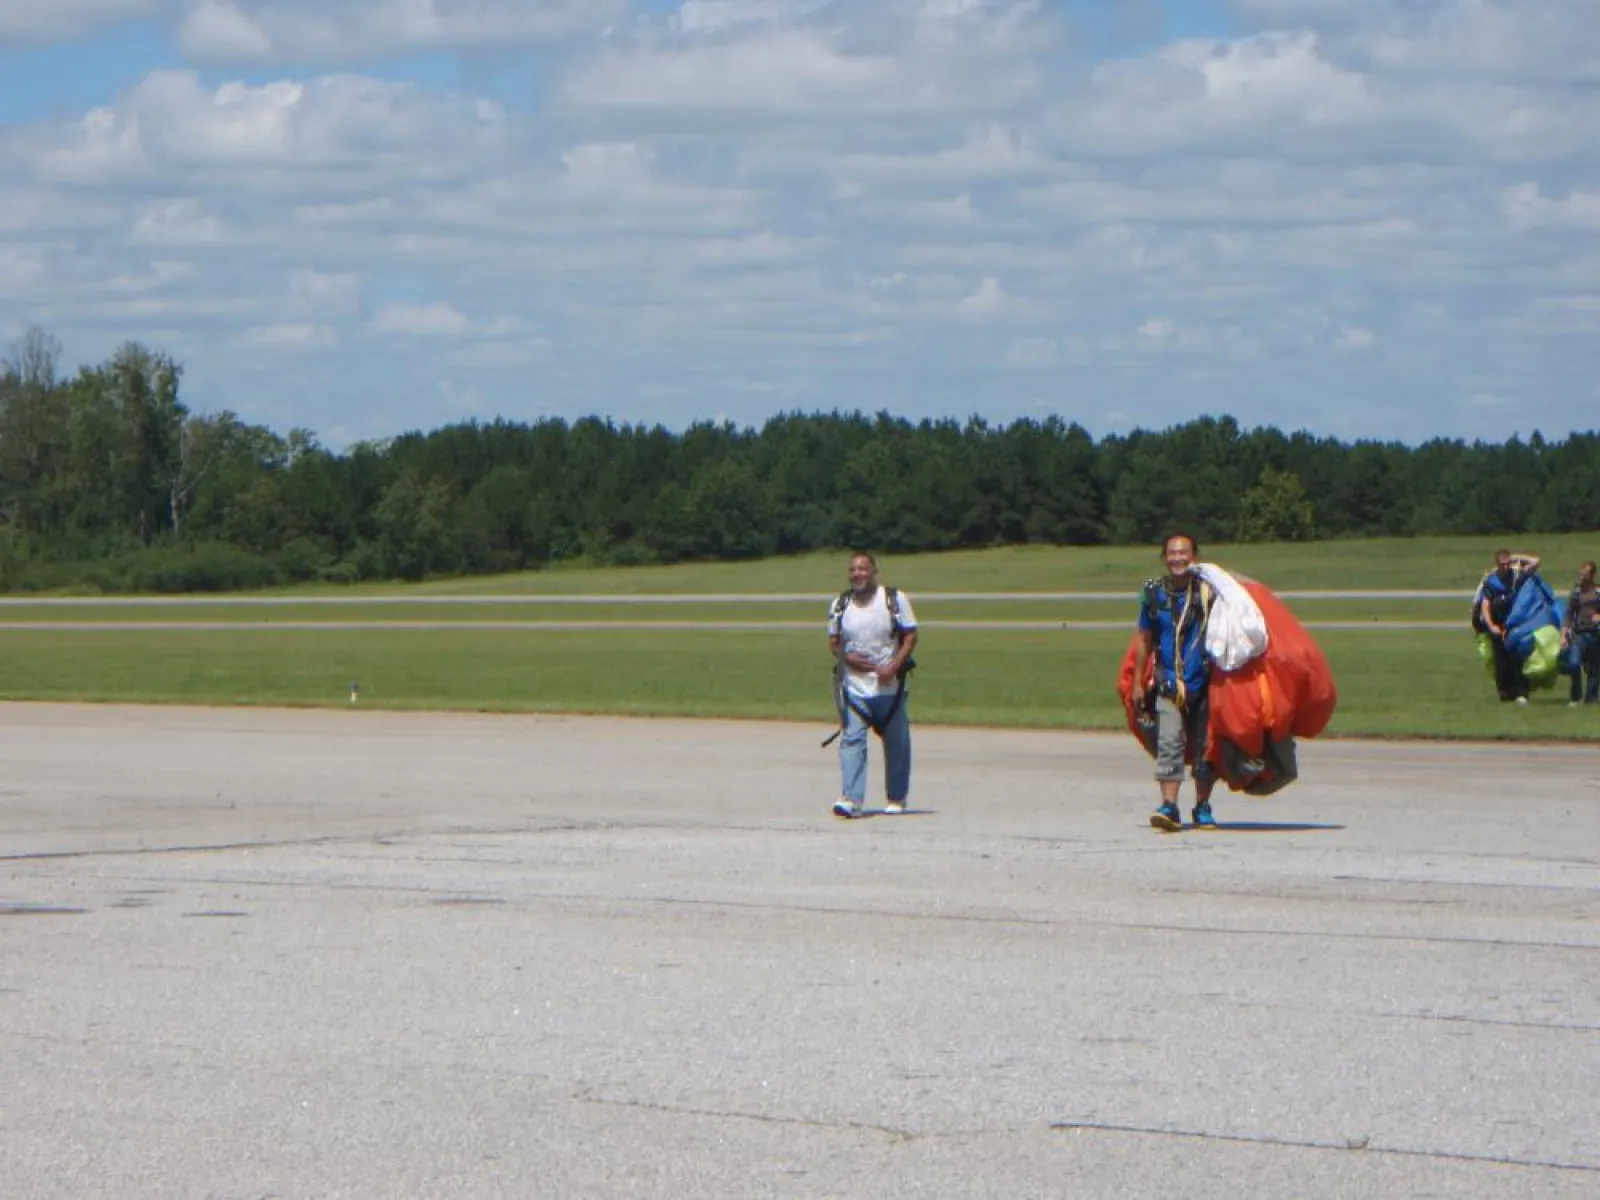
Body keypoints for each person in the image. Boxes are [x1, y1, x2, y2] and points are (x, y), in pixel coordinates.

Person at [1131, 533, 1218, 832]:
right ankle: (1169, 806)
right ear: (1164, 557)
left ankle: (1203, 806)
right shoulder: (1153, 593)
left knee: (1205, 746)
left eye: (1183, 553)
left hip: (1206, 682)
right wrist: (1137, 683)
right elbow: (1143, 640)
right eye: (1172, 553)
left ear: (1194, 556)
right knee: (1169, 741)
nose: (1177, 559)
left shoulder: (1210, 590)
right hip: (1168, 683)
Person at [826, 552, 918, 818]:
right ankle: (851, 800)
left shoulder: (893, 599)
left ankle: (897, 798)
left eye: (863, 568)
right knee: (852, 739)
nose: (858, 573)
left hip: (889, 687)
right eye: (853, 569)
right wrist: (846, 657)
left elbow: (910, 635)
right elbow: (833, 641)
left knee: (897, 743)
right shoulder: (840, 604)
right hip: (854, 687)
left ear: (874, 571)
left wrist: (895, 665)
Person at [1478, 548, 1541, 704]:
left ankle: (1522, 692)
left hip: (1515, 625)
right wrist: (1491, 625)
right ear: (1497, 565)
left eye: (1508, 564)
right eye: (1502, 565)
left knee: (1518, 659)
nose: (1506, 567)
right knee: (1501, 663)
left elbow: (1536, 562)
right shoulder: (1491, 582)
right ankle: (1505, 693)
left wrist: (1516, 557)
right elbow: (1485, 606)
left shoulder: (1516, 577)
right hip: (1497, 625)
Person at [1563, 560, 1600, 706]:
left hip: (1595, 633)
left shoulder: (1598, 592)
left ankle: (1591, 697)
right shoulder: (1576, 593)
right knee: (1573, 663)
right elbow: (1568, 614)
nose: (1582, 577)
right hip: (1579, 633)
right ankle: (1575, 696)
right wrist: (1563, 634)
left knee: (1594, 668)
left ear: (1592, 575)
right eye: (1581, 574)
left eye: (1585, 574)